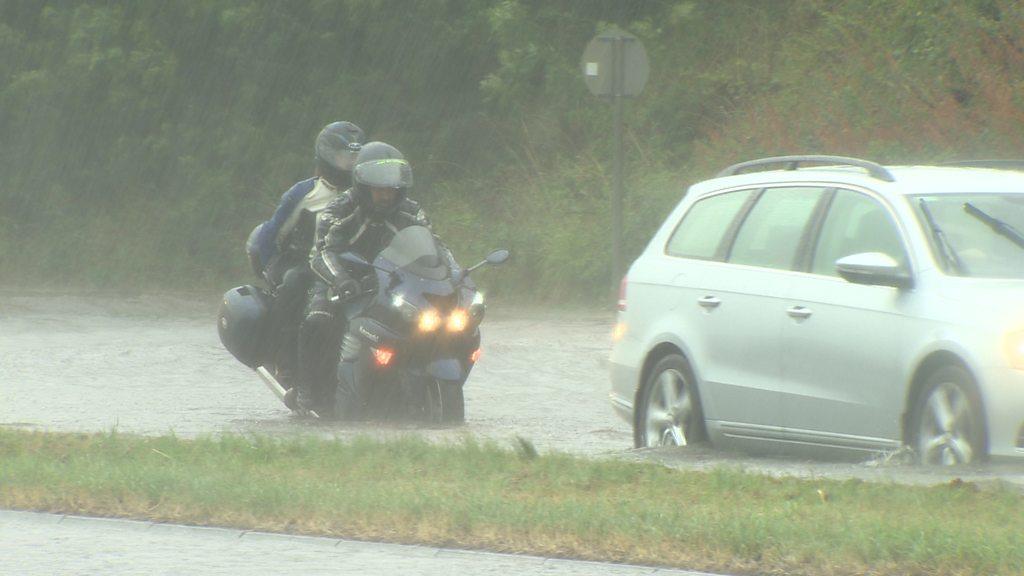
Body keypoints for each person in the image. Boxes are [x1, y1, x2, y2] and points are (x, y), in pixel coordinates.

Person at [296, 141, 436, 414]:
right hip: (341, 281)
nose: (386, 196)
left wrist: (451, 274)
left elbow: (434, 247)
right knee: (319, 321)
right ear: (363, 187)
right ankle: (308, 392)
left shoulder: (412, 212)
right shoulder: (339, 210)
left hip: (393, 284)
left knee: (432, 324)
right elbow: (321, 253)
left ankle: (416, 386)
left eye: (391, 190)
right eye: (379, 189)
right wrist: (340, 280)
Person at [246, 121, 365, 385]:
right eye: (343, 156)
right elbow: (269, 236)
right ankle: (285, 360)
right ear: (326, 156)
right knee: (293, 284)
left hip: (356, 267)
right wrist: (269, 271)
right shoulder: (304, 193)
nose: (349, 163)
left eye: (354, 157)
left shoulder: (367, 193)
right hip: (310, 265)